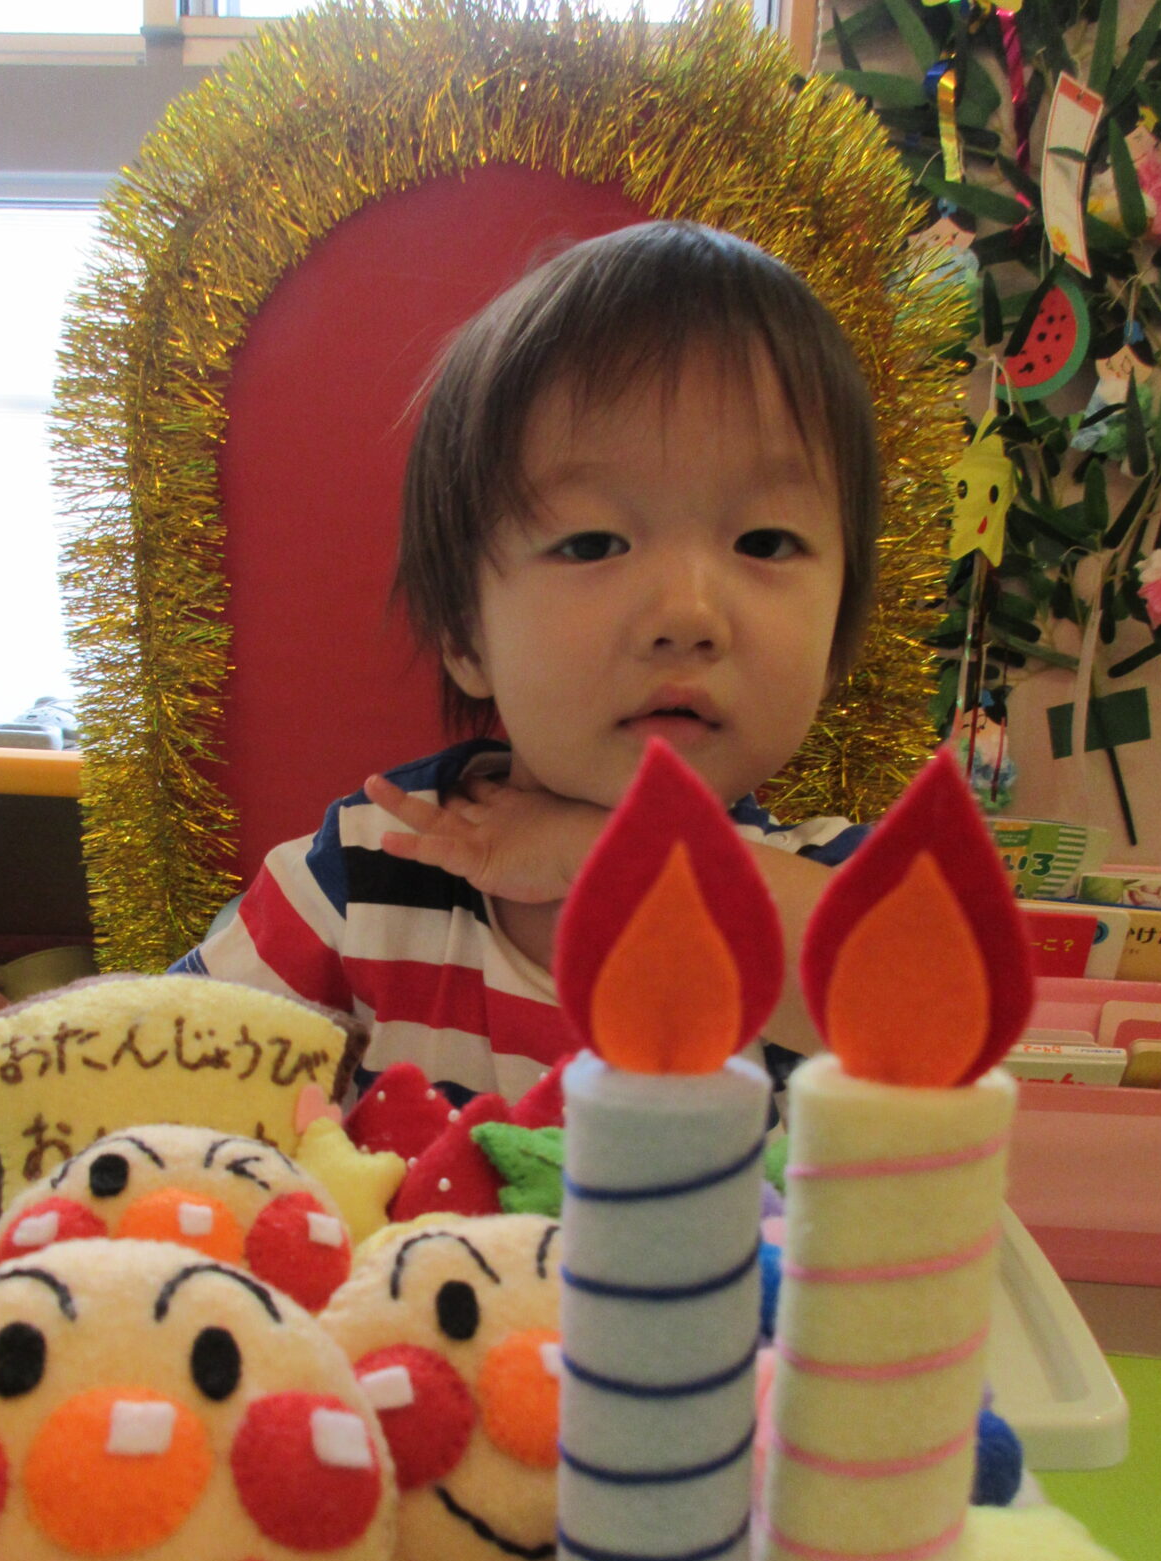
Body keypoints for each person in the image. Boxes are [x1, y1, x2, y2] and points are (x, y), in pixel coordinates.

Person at [171, 221, 875, 1106]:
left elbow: (922, 1003)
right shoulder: (374, 872)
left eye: (764, 542)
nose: (688, 615)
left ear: (838, 632)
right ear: (467, 636)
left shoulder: (826, 890)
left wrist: (606, 857)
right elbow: (158, 1068)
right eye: (593, 543)